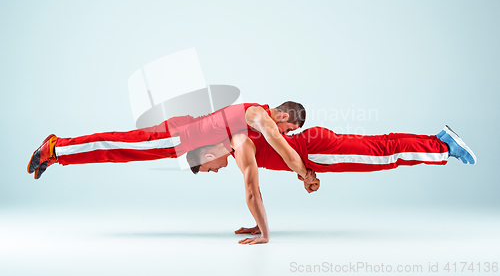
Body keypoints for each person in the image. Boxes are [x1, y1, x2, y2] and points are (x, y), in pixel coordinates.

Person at [186, 125, 476, 245]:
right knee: (379, 145)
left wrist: (264, 233)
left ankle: (444, 148)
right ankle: (438, 140)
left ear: (208, 155)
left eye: (207, 168)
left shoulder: (238, 145)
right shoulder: (237, 142)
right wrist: (258, 224)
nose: (213, 171)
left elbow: (252, 192)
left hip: (317, 152)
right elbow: (276, 163)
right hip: (315, 146)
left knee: (381, 155)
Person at [27, 101, 317, 190]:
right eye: (287, 128)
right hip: (182, 135)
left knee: (118, 153)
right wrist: (305, 174)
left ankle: (57, 156)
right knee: (117, 145)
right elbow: (282, 148)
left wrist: (301, 171)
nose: (284, 134)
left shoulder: (255, 122)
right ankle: (55, 148)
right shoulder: (259, 114)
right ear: (281, 116)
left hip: (181, 136)